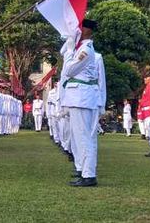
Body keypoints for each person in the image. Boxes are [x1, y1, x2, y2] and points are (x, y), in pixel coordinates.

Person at [61, 19, 100, 187]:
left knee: (83, 138)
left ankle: (89, 175)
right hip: (81, 97)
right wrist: (69, 45)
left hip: (82, 98)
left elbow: (69, 70)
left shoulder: (85, 50)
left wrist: (70, 51)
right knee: (81, 138)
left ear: (85, 30)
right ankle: (85, 172)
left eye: (78, 27)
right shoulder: (83, 48)